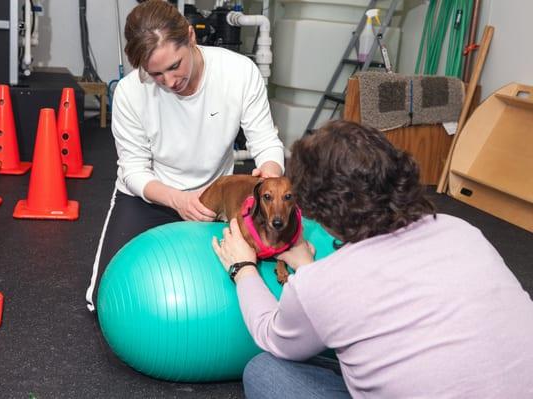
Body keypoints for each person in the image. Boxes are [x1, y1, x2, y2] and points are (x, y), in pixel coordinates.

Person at [212, 120, 533, 398]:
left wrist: (244, 268)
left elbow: (272, 335)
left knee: (265, 370)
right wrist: (310, 270)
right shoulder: (461, 230)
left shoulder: (322, 283)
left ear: (319, 210)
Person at [85, 0, 285, 311]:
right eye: (156, 74)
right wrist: (179, 200)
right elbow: (134, 171)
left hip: (214, 198)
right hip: (151, 195)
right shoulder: (128, 93)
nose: (169, 81)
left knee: (224, 298)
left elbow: (265, 141)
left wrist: (270, 173)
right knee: (105, 300)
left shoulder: (239, 72)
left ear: (190, 37)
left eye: (175, 65)